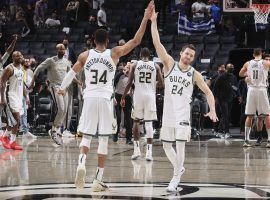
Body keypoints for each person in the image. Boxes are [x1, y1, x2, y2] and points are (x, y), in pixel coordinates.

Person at [58, 1, 154, 192]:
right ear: (107, 41)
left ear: (93, 41)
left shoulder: (85, 55)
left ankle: (82, 164)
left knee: (86, 136)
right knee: (103, 139)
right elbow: (136, 41)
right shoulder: (114, 53)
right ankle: (98, 179)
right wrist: (145, 18)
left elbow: (72, 72)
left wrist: (62, 88)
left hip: (90, 97)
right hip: (105, 98)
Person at [150, 10, 218, 192]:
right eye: (186, 53)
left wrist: (212, 109)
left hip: (182, 114)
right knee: (165, 145)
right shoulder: (169, 64)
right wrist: (154, 22)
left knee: (180, 146)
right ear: (181, 53)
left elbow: (209, 92)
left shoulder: (194, 74)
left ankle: (176, 177)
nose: (188, 57)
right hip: (168, 112)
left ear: (193, 59)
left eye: (191, 56)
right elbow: (156, 43)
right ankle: (178, 167)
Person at [29, 44, 79, 145]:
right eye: (60, 49)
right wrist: (32, 81)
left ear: (65, 50)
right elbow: (38, 68)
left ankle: (55, 130)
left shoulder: (67, 62)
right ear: (57, 50)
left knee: (64, 110)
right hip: (54, 86)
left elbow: (70, 74)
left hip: (64, 87)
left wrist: (78, 82)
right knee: (61, 108)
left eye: (63, 49)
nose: (62, 50)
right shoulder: (51, 60)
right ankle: (54, 130)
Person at [121, 47, 164, 161]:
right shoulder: (156, 66)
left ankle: (136, 151)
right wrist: (153, 85)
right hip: (150, 96)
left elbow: (129, 82)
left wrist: (123, 96)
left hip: (138, 96)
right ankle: (149, 153)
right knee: (149, 123)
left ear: (140, 56)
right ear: (149, 56)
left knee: (136, 121)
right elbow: (162, 83)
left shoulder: (135, 65)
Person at [239, 49, 270, 148]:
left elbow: (240, 74)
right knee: (267, 115)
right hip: (261, 89)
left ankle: (246, 140)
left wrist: (246, 76)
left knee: (249, 115)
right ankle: (269, 140)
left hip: (251, 90)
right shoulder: (265, 62)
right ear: (261, 54)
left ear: (253, 54)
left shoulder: (248, 63)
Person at [0, 51, 24, 150]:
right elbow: (2, 84)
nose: (19, 57)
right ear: (12, 58)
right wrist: (2, 98)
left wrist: (25, 96)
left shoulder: (21, 69)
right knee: (16, 119)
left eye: (20, 55)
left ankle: (10, 140)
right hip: (11, 95)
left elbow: (21, 84)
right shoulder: (9, 68)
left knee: (15, 121)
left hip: (19, 96)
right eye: (16, 56)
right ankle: (7, 138)